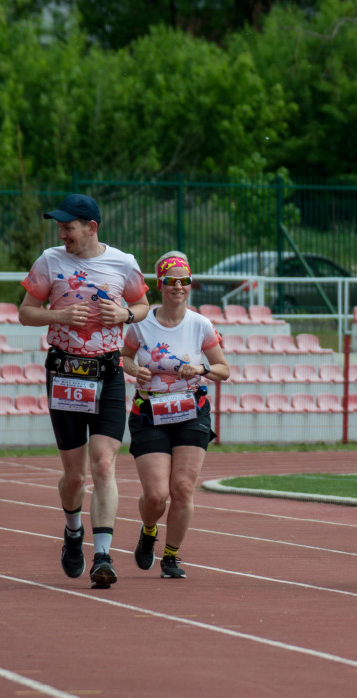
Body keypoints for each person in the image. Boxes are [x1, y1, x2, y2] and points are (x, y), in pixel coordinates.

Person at [19, 193, 151, 588]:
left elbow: (144, 305)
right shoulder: (50, 260)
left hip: (108, 372)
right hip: (65, 372)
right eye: (60, 227)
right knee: (75, 475)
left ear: (92, 228)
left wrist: (126, 314)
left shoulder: (123, 263)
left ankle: (104, 555)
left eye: (69, 227)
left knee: (105, 463)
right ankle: (73, 532)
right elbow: (25, 311)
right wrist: (58, 314)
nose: (63, 233)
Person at [120, 251, 229, 579]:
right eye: (171, 281)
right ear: (160, 284)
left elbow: (223, 369)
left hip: (190, 412)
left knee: (182, 489)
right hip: (150, 412)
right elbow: (123, 358)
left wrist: (201, 368)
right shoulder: (142, 324)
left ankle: (171, 557)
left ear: (190, 284)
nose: (178, 287)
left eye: (185, 281)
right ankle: (149, 530)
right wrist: (134, 370)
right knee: (156, 496)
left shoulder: (201, 325)